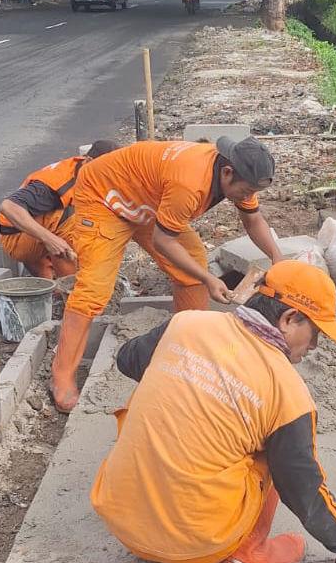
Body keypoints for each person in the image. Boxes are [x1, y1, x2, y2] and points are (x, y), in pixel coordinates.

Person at [91, 261, 336, 563]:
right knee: (273, 452)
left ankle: (153, 535)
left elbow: (128, 360)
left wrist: (192, 382)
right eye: (315, 333)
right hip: (198, 543)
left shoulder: (187, 324)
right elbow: (304, 490)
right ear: (290, 319)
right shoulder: (287, 392)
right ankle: (249, 554)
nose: (315, 346)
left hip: (121, 521)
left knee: (155, 395)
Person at [50, 136, 286, 412]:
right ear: (227, 172)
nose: (246, 198)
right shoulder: (190, 183)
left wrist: (277, 257)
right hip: (105, 197)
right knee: (94, 288)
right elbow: (164, 241)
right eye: (244, 191)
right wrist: (210, 279)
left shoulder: (242, 172)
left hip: (147, 200)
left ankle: (188, 344)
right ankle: (62, 377)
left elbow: (252, 218)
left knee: (192, 266)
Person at [0, 140, 121, 279]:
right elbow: (8, 207)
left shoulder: (84, 170)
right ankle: (71, 285)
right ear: (89, 161)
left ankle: (51, 265)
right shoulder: (58, 182)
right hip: (17, 237)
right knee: (77, 220)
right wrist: (51, 240)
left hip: (37, 228)